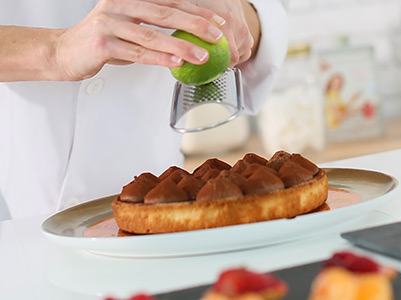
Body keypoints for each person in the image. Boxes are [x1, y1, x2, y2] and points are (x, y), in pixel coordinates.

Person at [0, 0, 288, 219]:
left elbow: (263, 14)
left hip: (164, 213)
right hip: (23, 221)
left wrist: (237, 11)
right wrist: (56, 50)